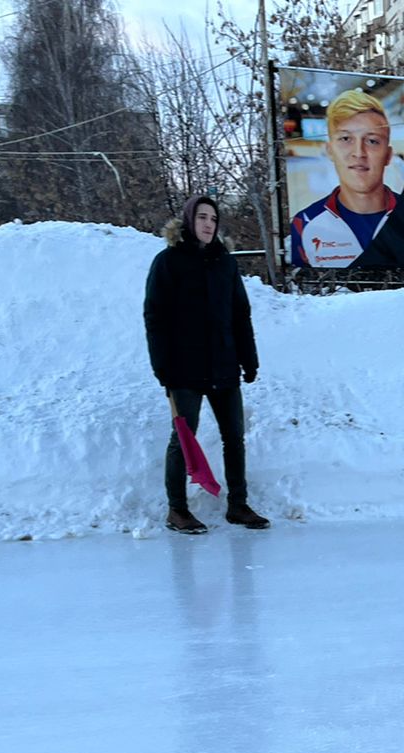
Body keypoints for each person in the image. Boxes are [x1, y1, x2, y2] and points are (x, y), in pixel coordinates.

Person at [144, 195, 269, 534]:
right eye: (201, 217)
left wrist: (249, 359)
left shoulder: (225, 263)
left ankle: (238, 505)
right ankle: (177, 510)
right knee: (183, 438)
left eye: (213, 218)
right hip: (183, 369)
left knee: (234, 438)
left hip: (224, 365)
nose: (208, 224)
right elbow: (155, 317)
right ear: (188, 221)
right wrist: (162, 366)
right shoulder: (168, 262)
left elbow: (240, 314)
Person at [289, 88, 399, 268]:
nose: (359, 153)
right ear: (330, 151)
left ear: (388, 155)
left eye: (372, 141)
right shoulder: (305, 223)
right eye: (346, 139)